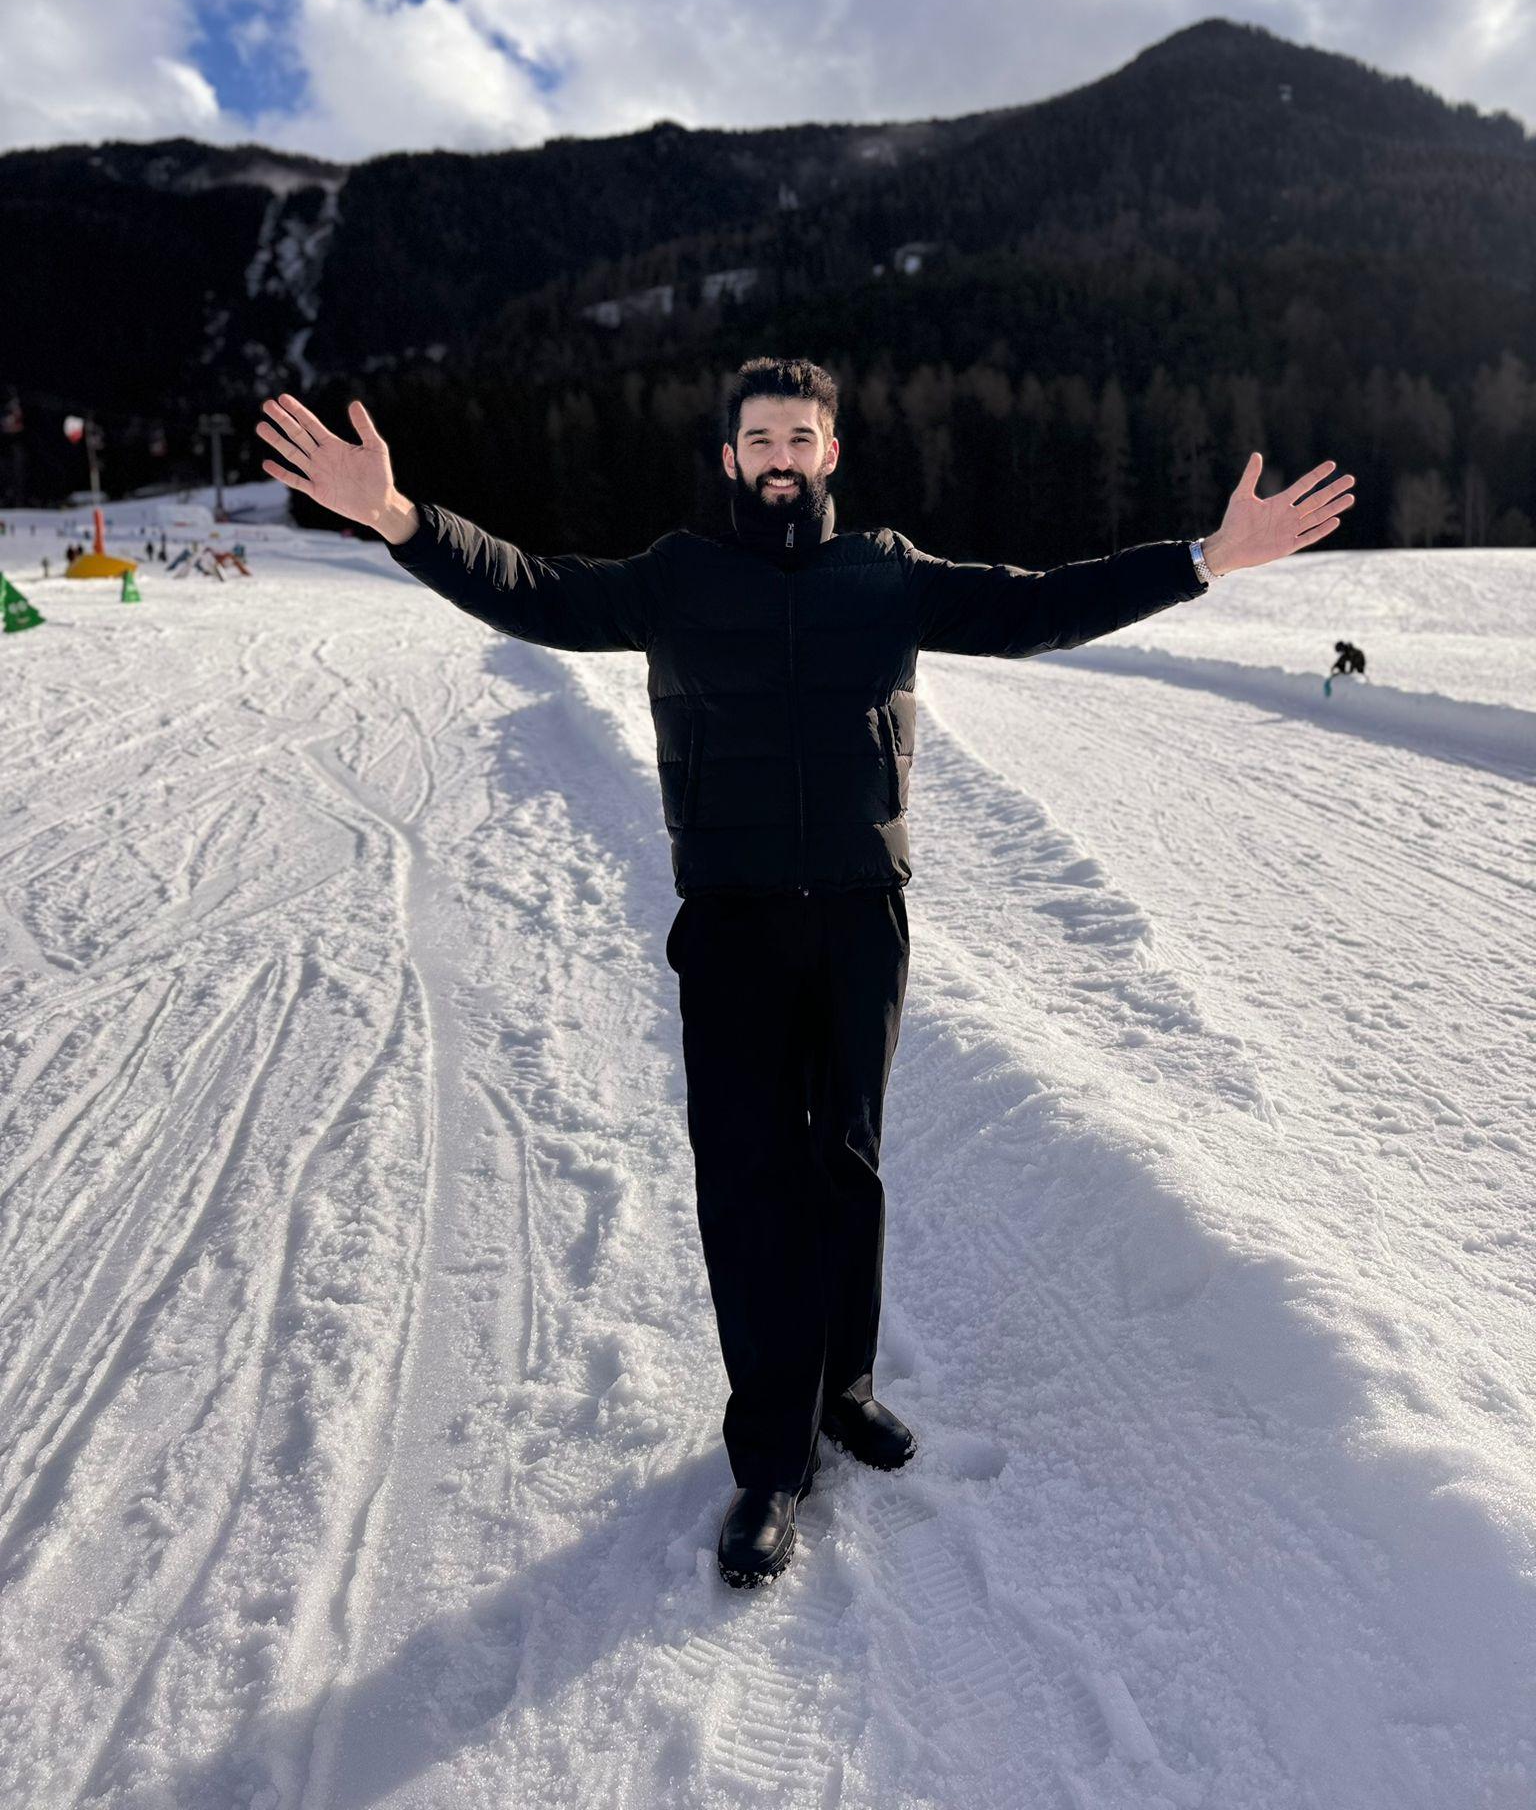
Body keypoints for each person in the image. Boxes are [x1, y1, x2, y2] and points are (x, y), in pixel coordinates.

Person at [256, 359, 1356, 1590]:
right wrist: (400, 517)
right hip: (731, 921)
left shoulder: (887, 574)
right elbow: (537, 590)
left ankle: (847, 1386)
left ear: (831, 453)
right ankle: (771, 1459)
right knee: (748, 1179)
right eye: (760, 438)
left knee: (846, 1162)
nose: (780, 457)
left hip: (858, 918)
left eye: (800, 437)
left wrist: (1204, 559)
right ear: (730, 457)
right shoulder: (678, 577)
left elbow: (1040, 605)